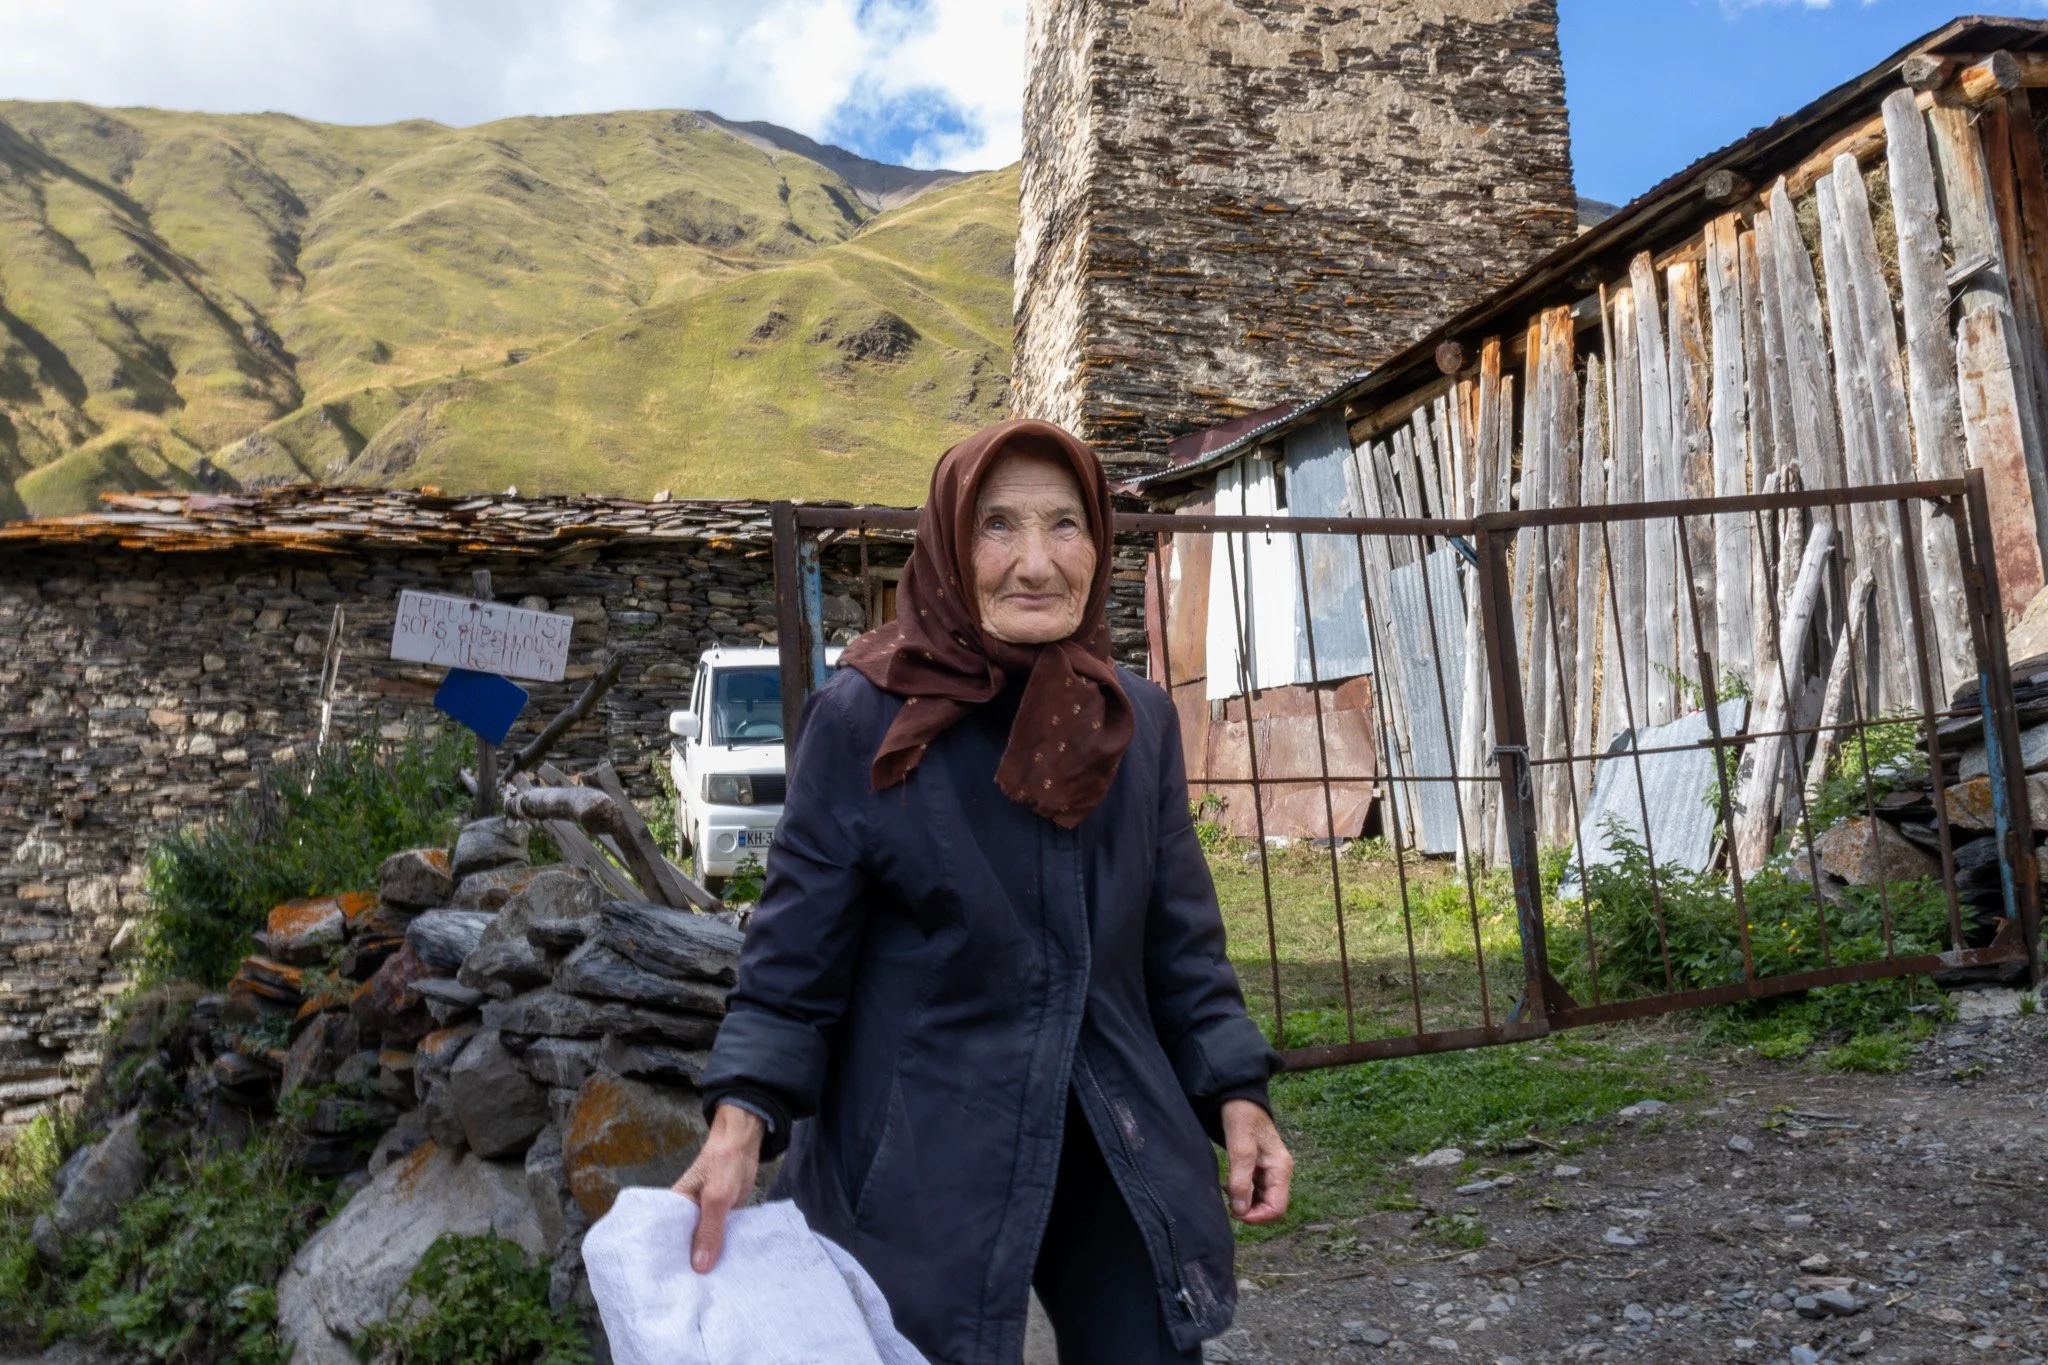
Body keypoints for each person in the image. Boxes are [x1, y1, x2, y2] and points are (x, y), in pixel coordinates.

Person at [673, 418, 1291, 1365]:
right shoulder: (865, 719)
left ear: (1100, 543)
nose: (1036, 563)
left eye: (1065, 525)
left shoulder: (1136, 721)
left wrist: (1236, 1095)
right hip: (923, 1139)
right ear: (950, 546)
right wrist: (740, 1119)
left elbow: (1182, 949)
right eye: (998, 526)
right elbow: (793, 958)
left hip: (1105, 1130)